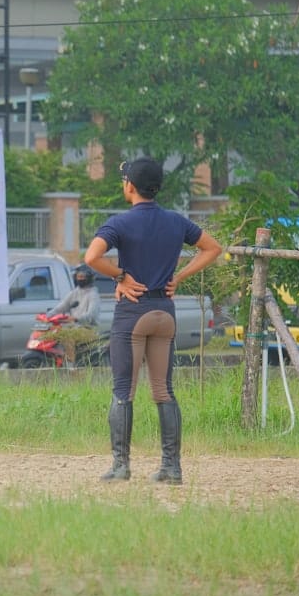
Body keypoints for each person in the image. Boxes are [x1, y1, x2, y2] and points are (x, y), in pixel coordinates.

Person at [84, 157, 221, 485]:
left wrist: (121, 276)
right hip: (165, 313)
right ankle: (171, 467)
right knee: (163, 390)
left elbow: (91, 257)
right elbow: (213, 248)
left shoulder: (119, 223)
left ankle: (121, 465)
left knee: (122, 390)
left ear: (130, 185)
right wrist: (179, 277)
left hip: (133, 314)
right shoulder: (176, 221)